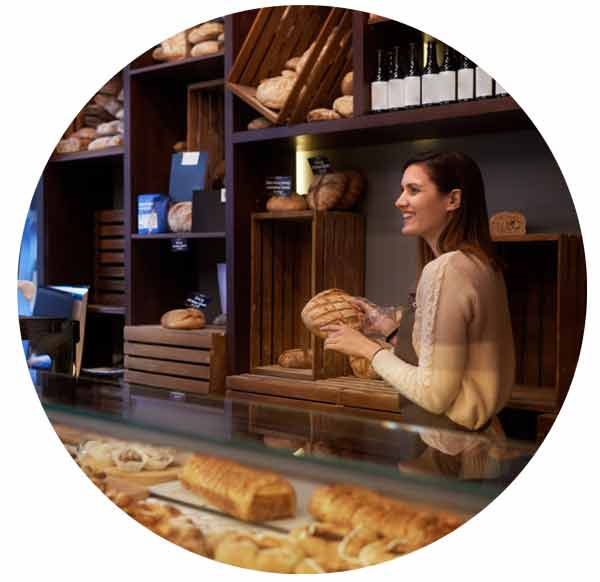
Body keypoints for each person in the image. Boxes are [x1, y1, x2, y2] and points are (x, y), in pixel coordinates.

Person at [321, 151, 515, 439]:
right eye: (402, 190)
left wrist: (366, 348)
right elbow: (454, 358)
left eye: (413, 190)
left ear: (453, 200)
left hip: (451, 447)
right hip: (480, 442)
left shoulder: (446, 270)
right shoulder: (481, 263)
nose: (399, 201)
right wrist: (390, 331)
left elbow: (433, 394)